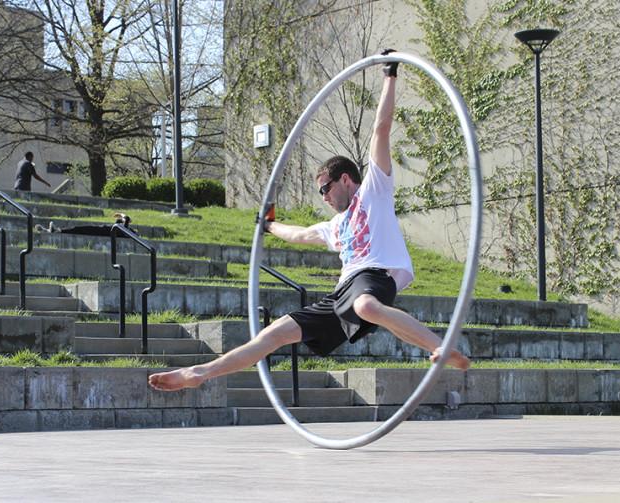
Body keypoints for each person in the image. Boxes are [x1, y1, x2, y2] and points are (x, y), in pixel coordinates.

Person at [149, 51, 471, 392]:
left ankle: (440, 345)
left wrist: (389, 75)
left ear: (345, 179)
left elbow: (381, 130)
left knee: (366, 305)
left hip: (376, 277)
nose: (323, 197)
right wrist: (269, 225)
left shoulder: (374, 192)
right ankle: (201, 372)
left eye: (325, 189)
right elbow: (300, 235)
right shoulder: (336, 226)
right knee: (273, 334)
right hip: (341, 294)